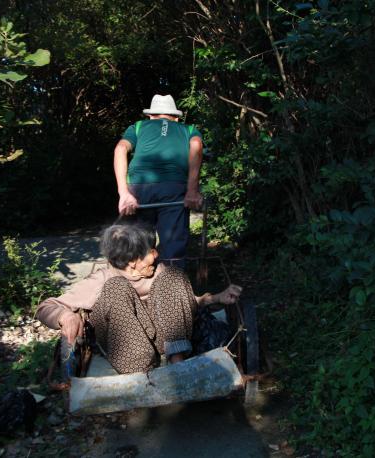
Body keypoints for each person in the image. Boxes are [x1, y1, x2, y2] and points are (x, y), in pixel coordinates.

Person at [36, 222, 242, 374]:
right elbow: (47, 306)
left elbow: (181, 305)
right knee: (116, 288)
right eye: (150, 250)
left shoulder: (159, 270)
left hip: (165, 340)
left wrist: (214, 298)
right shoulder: (102, 279)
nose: (155, 254)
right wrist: (65, 316)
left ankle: (176, 361)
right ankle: (140, 369)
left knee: (172, 275)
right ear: (133, 261)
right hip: (129, 349)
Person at [113, 94, 204, 269]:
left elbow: (120, 148)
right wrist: (192, 191)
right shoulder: (189, 129)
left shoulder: (138, 127)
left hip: (139, 188)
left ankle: (140, 286)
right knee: (173, 244)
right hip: (173, 187)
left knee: (139, 243)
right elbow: (197, 146)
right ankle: (171, 290)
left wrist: (123, 194)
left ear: (150, 116)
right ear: (176, 117)